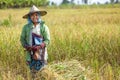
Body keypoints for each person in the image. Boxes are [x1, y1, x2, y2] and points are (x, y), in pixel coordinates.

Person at [20, 5, 50, 71]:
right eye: (32, 15)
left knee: (42, 71)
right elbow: (22, 39)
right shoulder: (26, 27)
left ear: (39, 16)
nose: (34, 17)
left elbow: (47, 40)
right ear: (29, 17)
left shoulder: (44, 27)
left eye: (36, 15)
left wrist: (39, 47)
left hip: (41, 52)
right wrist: (27, 46)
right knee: (31, 71)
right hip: (29, 52)